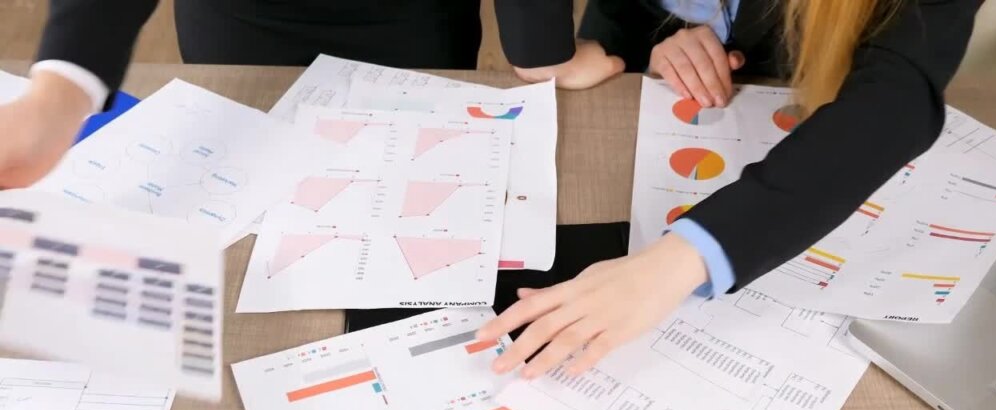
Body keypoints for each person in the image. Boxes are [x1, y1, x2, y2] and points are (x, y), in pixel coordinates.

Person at [479, 0, 982, 378]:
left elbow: (895, 97)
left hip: (809, 76)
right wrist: (544, 50)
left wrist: (684, 260)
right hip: (637, 37)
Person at [0, 0, 621, 188]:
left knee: (404, 179)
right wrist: (64, 90)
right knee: (248, 195)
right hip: (238, 20)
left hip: (410, 22)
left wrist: (541, 47)